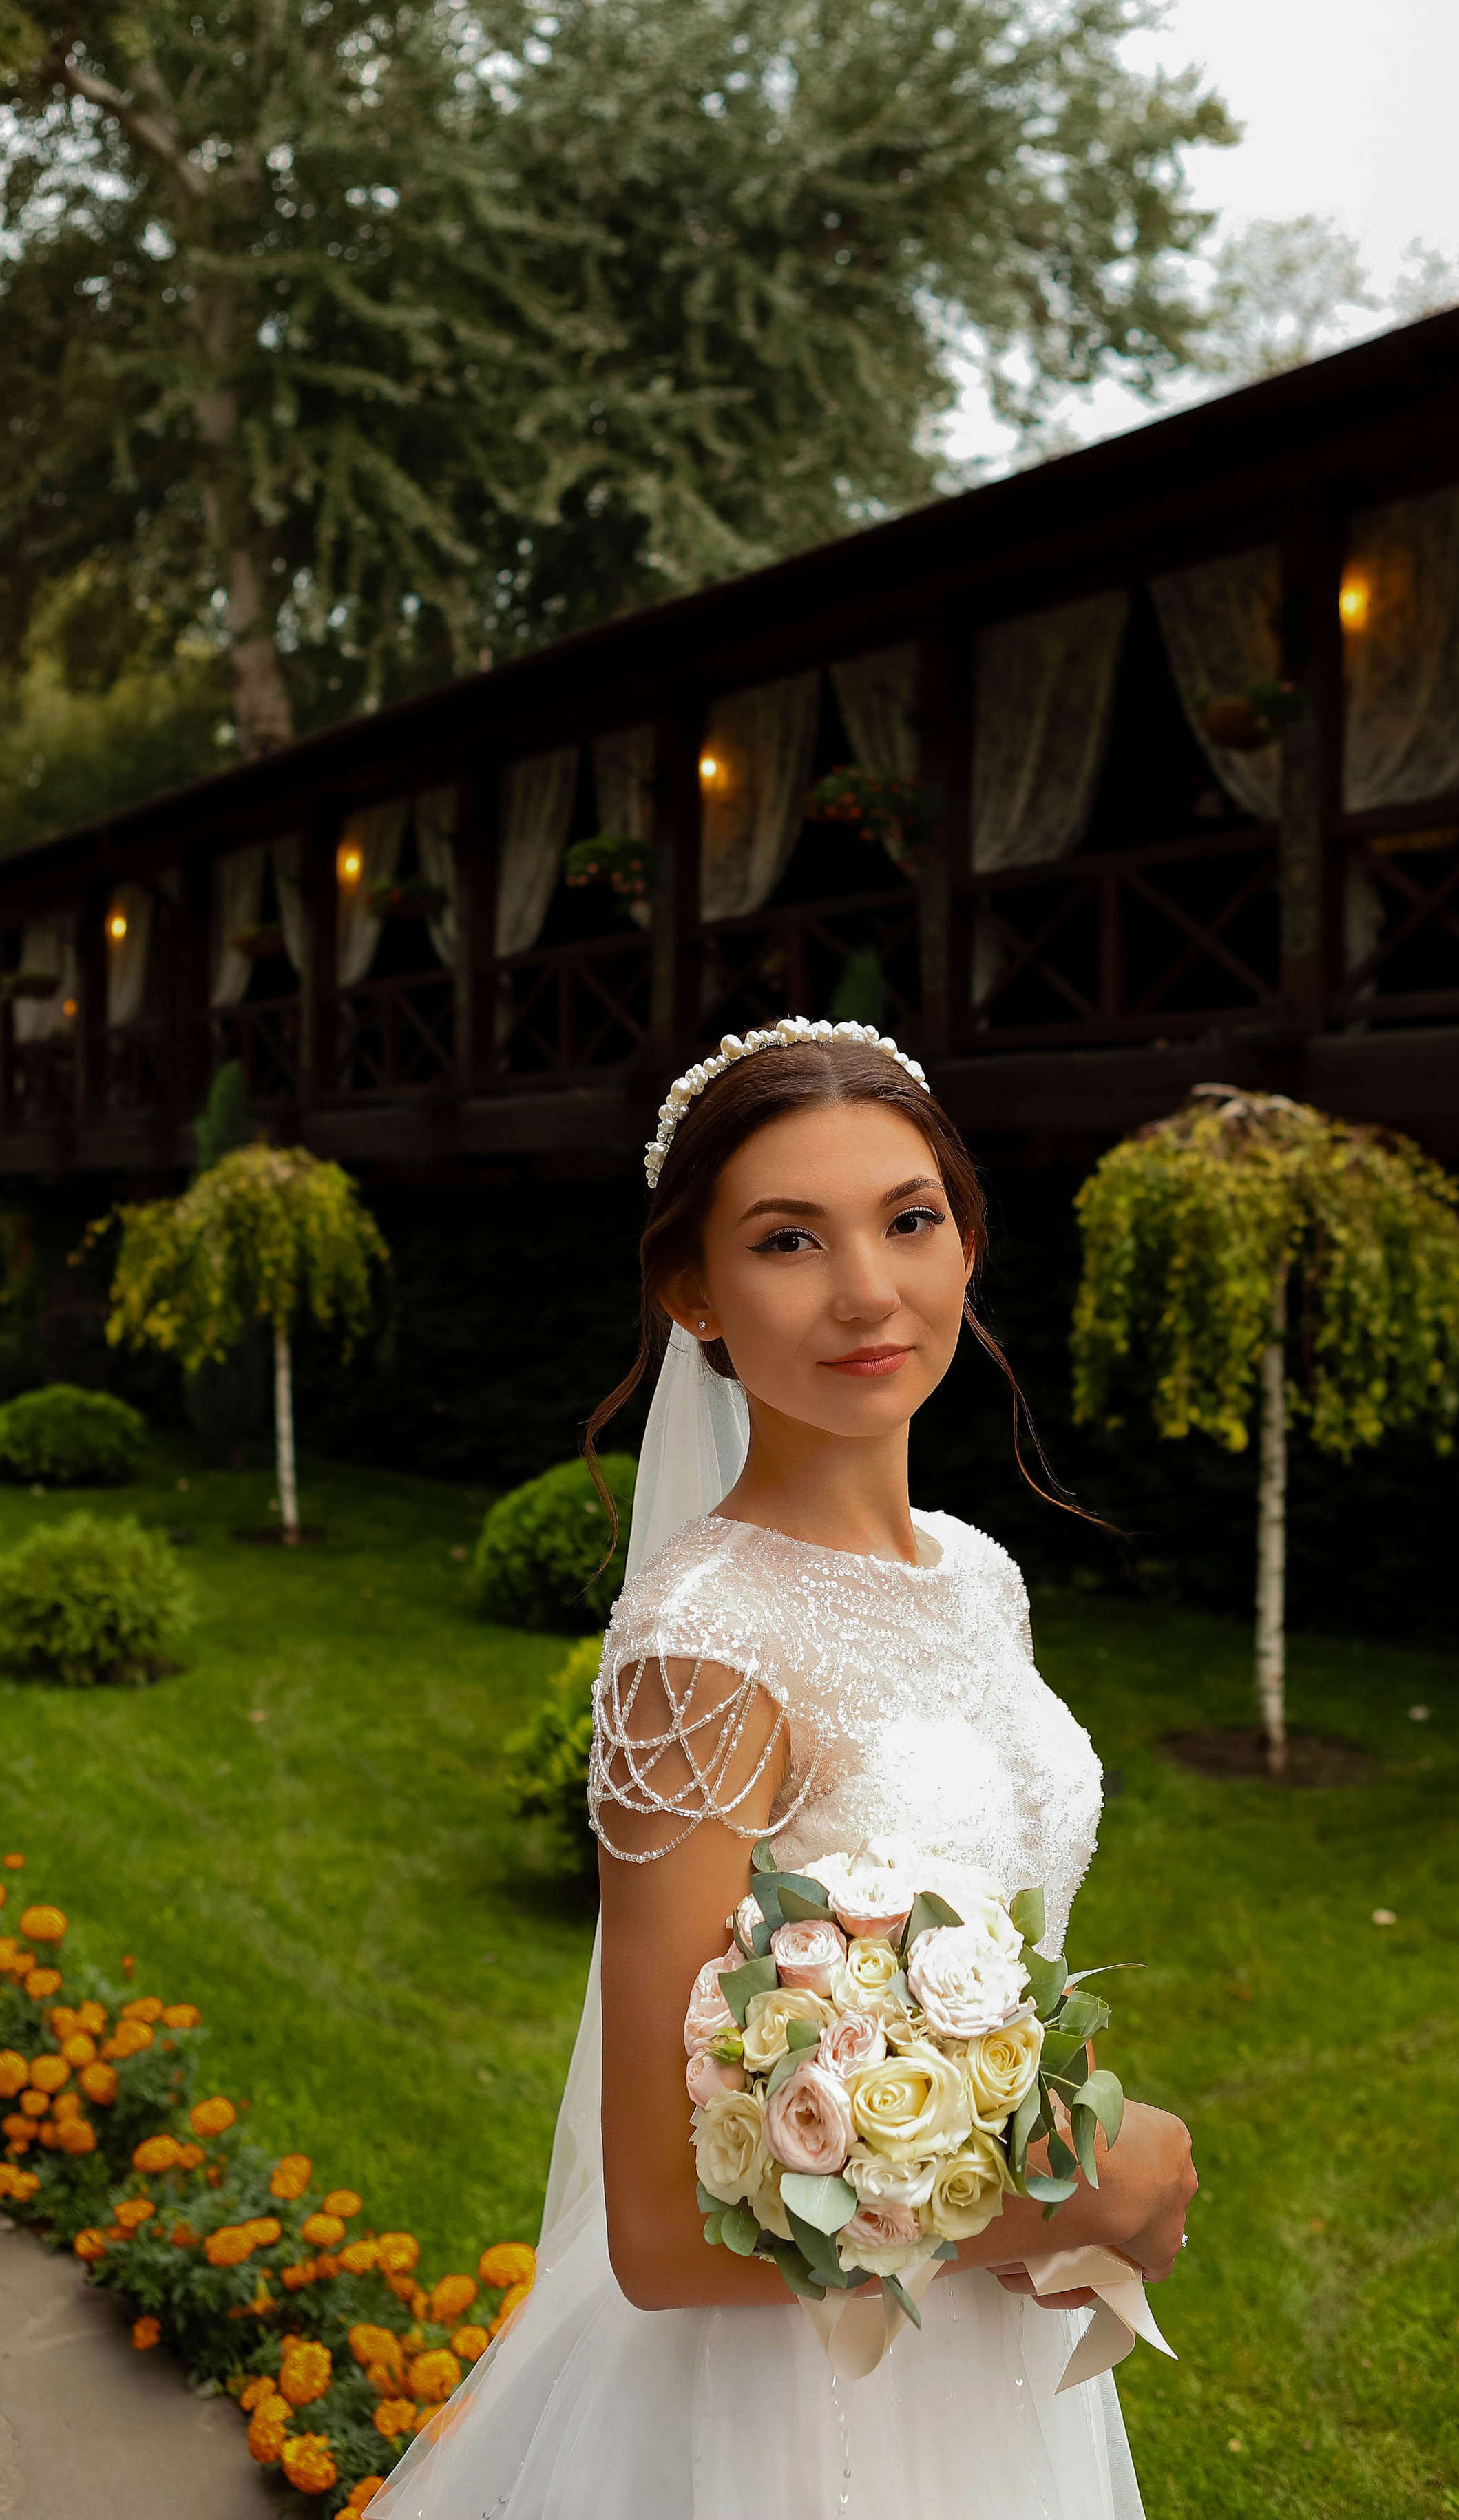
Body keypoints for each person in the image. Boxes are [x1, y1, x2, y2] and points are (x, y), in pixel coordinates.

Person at [375, 1020, 1197, 2519]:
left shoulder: (976, 1572)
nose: (866, 1292)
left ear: (964, 1241)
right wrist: (1067, 2192)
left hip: (979, 2338)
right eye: (784, 1241)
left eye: (907, 1219)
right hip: (790, 2406)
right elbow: (656, 2232)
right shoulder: (703, 1653)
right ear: (691, 1291)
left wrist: (1023, 2164)